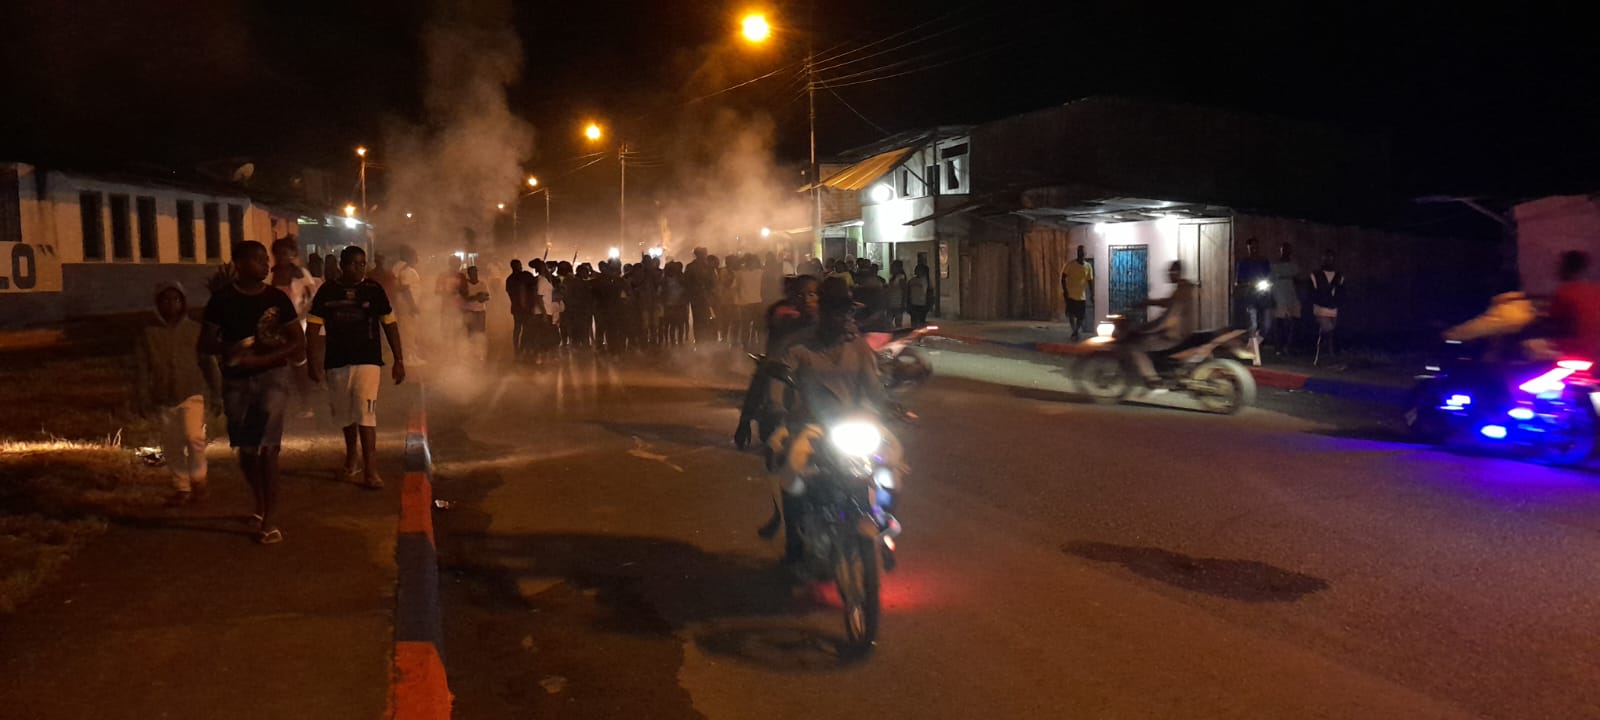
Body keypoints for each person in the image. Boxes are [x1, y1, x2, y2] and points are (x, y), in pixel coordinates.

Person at [763, 277, 893, 563]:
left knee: (890, 466)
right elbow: (779, 382)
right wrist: (776, 406)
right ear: (822, 312)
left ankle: (886, 529)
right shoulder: (799, 347)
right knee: (792, 473)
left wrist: (889, 408)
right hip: (809, 427)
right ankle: (795, 545)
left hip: (853, 428)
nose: (843, 318)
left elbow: (873, 388)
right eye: (836, 311)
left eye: (846, 312)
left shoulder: (860, 348)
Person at [199, 241, 305, 545]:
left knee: (268, 449)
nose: (265, 264)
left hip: (273, 378)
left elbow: (297, 341)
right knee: (247, 451)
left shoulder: (277, 299)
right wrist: (230, 349)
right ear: (239, 263)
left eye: (265, 259)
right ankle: (260, 503)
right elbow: (205, 343)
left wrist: (263, 360)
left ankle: (269, 520)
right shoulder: (222, 300)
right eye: (257, 260)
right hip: (237, 382)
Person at [306, 246, 406, 489]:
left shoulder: (373, 290)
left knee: (365, 413)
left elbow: (389, 324)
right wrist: (313, 359)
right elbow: (313, 326)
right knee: (345, 415)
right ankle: (352, 457)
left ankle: (371, 470)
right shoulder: (327, 291)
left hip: (368, 361)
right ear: (342, 265)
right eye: (353, 264)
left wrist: (399, 359)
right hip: (337, 361)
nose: (359, 268)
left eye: (362, 263)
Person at [136, 280, 222, 506]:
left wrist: (217, 393)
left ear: (183, 302)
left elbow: (209, 363)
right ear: (158, 303)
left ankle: (198, 480)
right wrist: (142, 396)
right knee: (172, 444)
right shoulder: (149, 334)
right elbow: (142, 368)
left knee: (194, 438)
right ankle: (181, 487)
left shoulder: (195, 330)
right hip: (163, 396)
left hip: (192, 391)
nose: (170, 304)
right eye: (165, 300)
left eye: (176, 299)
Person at [270, 236, 320, 418]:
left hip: (298, 324)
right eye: (278, 254)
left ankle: (306, 404)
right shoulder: (270, 275)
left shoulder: (301, 274)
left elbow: (312, 299)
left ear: (292, 254)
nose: (282, 257)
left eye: (285, 253)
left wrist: (300, 315)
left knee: (299, 364)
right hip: (274, 326)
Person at [1127, 261, 1199, 385]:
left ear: (1177, 273)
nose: (1168, 275)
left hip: (1175, 335)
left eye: (1170, 272)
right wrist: (1148, 302)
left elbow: (1170, 318)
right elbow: (1167, 302)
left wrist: (1148, 329)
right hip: (1181, 331)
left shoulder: (1182, 291)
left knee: (1137, 346)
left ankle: (1153, 379)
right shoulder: (1182, 289)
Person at [1547, 250, 1600, 360]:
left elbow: (1554, 324)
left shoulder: (1565, 292)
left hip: (1580, 354)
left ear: (1565, 268)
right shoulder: (1596, 289)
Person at [1309, 250, 1345, 359]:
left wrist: (1337, 303)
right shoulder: (1315, 275)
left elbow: (1342, 293)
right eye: (1326, 258)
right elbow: (1311, 293)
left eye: (1331, 258)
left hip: (1334, 309)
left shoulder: (1339, 276)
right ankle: (1325, 355)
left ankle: (1324, 356)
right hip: (1320, 309)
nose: (1329, 261)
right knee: (1328, 331)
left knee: (1328, 333)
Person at [1235, 238, 1274, 339]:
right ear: (1248, 248)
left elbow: (1269, 276)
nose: (1254, 249)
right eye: (1251, 248)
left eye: (1256, 247)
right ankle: (1252, 344)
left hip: (1264, 296)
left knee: (1267, 325)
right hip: (1250, 296)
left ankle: (1258, 341)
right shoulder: (1244, 262)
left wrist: (1268, 284)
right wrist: (1247, 284)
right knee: (1253, 325)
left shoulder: (1264, 262)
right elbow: (1239, 280)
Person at [1269, 242, 1302, 354]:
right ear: (1280, 251)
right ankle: (1279, 347)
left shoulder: (1294, 266)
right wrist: (1272, 297)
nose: (1286, 252)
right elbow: (1270, 282)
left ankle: (1290, 346)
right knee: (1280, 322)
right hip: (1279, 295)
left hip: (1291, 295)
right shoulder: (1275, 266)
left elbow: (1298, 280)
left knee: (1295, 320)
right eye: (1284, 250)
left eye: (1288, 250)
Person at [1061, 245, 1094, 341]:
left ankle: (1075, 331)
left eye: (1082, 252)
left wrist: (1092, 294)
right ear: (1077, 253)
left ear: (1085, 253)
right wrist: (1065, 290)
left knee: (1081, 316)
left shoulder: (1088, 266)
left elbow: (1090, 281)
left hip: (1081, 296)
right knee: (1071, 314)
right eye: (1079, 251)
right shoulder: (1071, 264)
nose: (1081, 253)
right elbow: (1063, 277)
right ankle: (1074, 331)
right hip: (1071, 294)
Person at [685, 247, 716, 344]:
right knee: (699, 318)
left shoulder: (706, 267)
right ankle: (700, 339)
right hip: (697, 297)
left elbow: (713, 281)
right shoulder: (693, 267)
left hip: (703, 296)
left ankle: (704, 338)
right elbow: (687, 282)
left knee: (704, 318)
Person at [460, 265, 491, 360]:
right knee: (470, 333)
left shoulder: (482, 283)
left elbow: (487, 297)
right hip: (469, 312)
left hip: (480, 312)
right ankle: (472, 353)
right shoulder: (465, 285)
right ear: (469, 274)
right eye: (472, 272)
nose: (474, 274)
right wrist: (477, 297)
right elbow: (465, 299)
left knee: (480, 333)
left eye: (475, 272)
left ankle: (479, 353)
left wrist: (480, 298)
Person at [505, 259, 533, 357]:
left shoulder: (509, 279)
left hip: (516, 308)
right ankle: (523, 348)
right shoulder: (524, 276)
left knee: (518, 328)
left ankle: (517, 348)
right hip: (524, 308)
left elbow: (510, 293)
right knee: (525, 328)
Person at [886, 260, 908, 329]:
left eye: (893, 267)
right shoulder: (892, 277)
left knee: (897, 322)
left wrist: (904, 302)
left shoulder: (900, 277)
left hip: (898, 302)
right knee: (888, 321)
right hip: (891, 301)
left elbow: (905, 290)